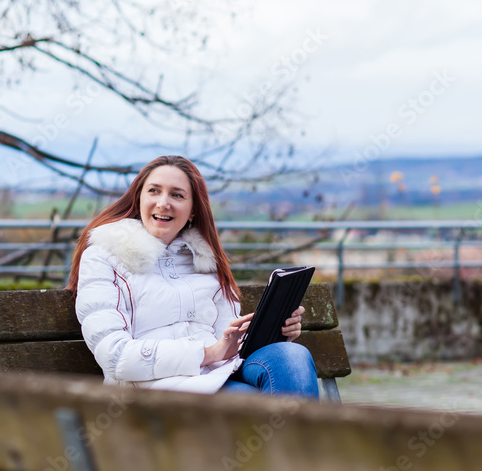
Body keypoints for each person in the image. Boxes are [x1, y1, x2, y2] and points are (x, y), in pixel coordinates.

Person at [66, 155, 319, 399]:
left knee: (291, 355)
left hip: (220, 375)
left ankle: (299, 441)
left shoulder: (205, 260)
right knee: (253, 401)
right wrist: (207, 353)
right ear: (139, 198)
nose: (163, 202)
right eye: (154, 191)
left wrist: (275, 332)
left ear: (193, 211)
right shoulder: (104, 256)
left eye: (177, 195)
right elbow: (115, 356)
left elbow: (229, 344)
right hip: (153, 390)